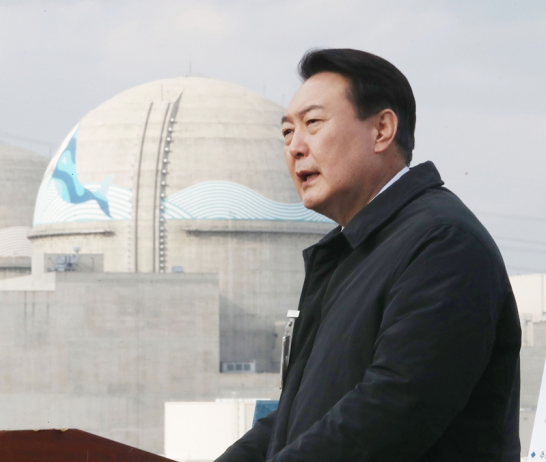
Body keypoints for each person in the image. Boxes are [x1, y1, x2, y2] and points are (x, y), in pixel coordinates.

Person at [215, 49, 521, 461]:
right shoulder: (351, 254)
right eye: (286, 132)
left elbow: (396, 407)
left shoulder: (442, 242)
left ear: (381, 130)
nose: (295, 147)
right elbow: (294, 421)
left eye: (313, 123)